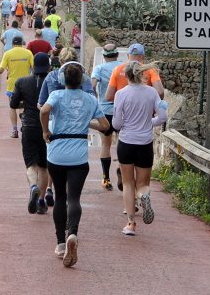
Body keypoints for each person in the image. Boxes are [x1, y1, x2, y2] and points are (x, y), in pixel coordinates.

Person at [40, 62, 109, 267]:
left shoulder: (57, 95)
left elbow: (44, 111)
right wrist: (87, 122)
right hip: (79, 156)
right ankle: (73, 233)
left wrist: (45, 131)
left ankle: (61, 243)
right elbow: (105, 126)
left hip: (57, 154)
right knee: (74, 198)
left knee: (60, 197)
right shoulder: (90, 99)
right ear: (82, 80)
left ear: (62, 80)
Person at [112, 62, 168, 236]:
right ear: (142, 75)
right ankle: (144, 195)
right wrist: (148, 122)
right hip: (145, 143)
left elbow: (117, 123)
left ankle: (130, 224)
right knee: (142, 184)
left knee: (128, 184)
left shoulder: (120, 94)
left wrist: (127, 124)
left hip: (126, 142)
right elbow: (163, 116)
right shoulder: (151, 92)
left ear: (126, 76)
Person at [10, 53, 51, 215]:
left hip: (28, 126)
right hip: (46, 128)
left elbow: (13, 103)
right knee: (44, 166)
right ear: (48, 66)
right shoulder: (52, 82)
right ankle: (41, 201)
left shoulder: (22, 81)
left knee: (30, 164)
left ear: (33, 66)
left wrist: (27, 104)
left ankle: (33, 186)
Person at [91, 44, 122, 190]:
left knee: (105, 144)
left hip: (105, 111)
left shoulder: (99, 68)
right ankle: (122, 170)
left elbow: (92, 86)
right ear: (117, 55)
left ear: (104, 56)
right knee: (122, 144)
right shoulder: (123, 67)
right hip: (122, 111)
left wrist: (96, 99)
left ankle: (106, 178)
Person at [0, 36, 34, 138]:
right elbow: (34, 67)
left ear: (13, 44)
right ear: (22, 43)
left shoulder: (7, 54)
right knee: (24, 107)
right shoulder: (28, 53)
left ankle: (14, 130)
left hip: (12, 85)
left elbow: (0, 70)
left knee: (13, 107)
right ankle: (25, 127)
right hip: (26, 84)